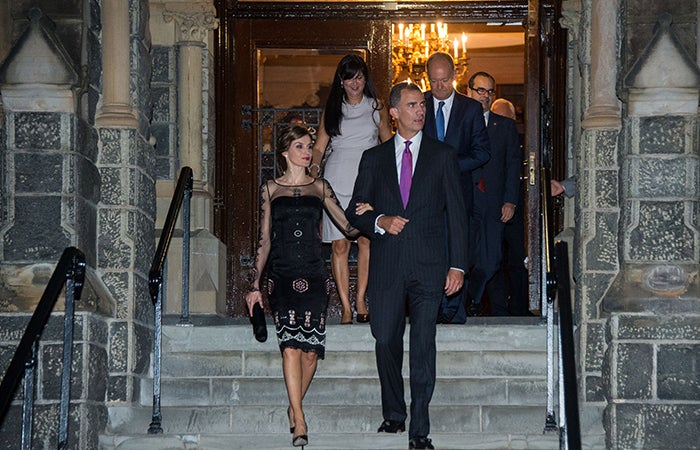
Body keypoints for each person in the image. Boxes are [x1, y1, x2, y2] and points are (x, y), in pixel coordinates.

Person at [345, 82, 468, 450]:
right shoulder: (374, 158)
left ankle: (420, 428)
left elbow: (458, 217)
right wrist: (381, 220)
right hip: (387, 266)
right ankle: (394, 413)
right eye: (412, 105)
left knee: (423, 344)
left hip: (430, 265)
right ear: (394, 112)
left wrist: (458, 266)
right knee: (384, 339)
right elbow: (356, 210)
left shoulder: (443, 155)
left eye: (423, 106)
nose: (420, 111)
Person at [245, 125, 372, 449]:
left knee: (311, 353)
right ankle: (300, 419)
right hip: (282, 274)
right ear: (286, 152)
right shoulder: (270, 189)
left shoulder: (320, 187)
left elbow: (346, 227)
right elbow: (264, 240)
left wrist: (372, 217)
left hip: (314, 273)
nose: (307, 151)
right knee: (290, 345)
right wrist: (255, 283)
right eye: (300, 146)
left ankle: (293, 404)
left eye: (309, 146)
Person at [311, 54, 392, 324]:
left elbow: (387, 141)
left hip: (369, 181)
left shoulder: (375, 106)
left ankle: (361, 301)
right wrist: (312, 170)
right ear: (341, 81)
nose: (355, 82)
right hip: (337, 180)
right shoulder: (332, 108)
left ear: (365, 79)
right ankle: (346, 307)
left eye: (359, 76)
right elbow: (320, 147)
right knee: (340, 245)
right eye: (349, 77)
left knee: (367, 241)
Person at [422, 51, 490, 324]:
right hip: (424, 195)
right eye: (433, 81)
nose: (439, 87)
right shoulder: (419, 104)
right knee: (428, 250)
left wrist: (448, 166)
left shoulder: (470, 109)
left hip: (459, 193)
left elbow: (482, 153)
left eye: (444, 80)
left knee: (456, 250)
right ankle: (431, 308)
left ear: (453, 77)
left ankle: (453, 310)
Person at [464, 73, 522, 316]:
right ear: (468, 92)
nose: (485, 96)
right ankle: (463, 305)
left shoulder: (505, 126)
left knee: (492, 259)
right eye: (480, 90)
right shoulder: (457, 122)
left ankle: (472, 297)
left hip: (494, 202)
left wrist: (510, 200)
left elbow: (512, 165)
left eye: (489, 91)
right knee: (465, 256)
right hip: (465, 200)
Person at [486, 98, 530, 316]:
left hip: (517, 205)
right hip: (489, 207)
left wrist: (510, 201)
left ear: (513, 118)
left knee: (516, 259)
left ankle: (519, 307)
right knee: (492, 259)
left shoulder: (523, 139)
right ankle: (497, 308)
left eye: (504, 117)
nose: (499, 122)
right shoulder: (483, 135)